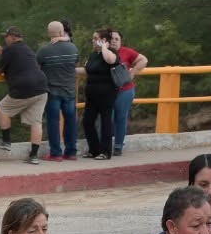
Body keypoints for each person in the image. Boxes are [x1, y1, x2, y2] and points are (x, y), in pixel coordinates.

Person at [0, 25, 49, 165]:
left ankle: (6, 141)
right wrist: (3, 53)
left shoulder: (10, 50)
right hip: (41, 88)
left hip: (24, 88)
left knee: (3, 108)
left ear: (12, 37)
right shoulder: (27, 48)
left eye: (6, 37)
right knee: (36, 122)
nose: (5, 39)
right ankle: (34, 156)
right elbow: (17, 58)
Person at [36, 21, 80, 162]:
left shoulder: (44, 51)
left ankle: (56, 154)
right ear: (62, 32)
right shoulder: (73, 48)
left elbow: (37, 68)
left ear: (49, 34)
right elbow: (76, 64)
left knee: (53, 122)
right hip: (70, 92)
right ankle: (71, 152)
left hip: (52, 92)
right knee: (71, 122)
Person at [80, 28, 119, 160]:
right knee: (87, 121)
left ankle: (105, 151)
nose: (93, 41)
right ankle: (94, 149)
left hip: (107, 93)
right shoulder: (93, 55)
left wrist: (104, 47)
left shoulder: (111, 52)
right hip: (92, 94)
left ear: (103, 40)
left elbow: (110, 60)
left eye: (95, 38)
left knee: (105, 121)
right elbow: (87, 70)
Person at [109, 29, 148, 157]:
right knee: (106, 118)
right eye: (111, 39)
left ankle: (118, 146)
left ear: (120, 41)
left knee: (121, 117)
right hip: (107, 92)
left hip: (124, 91)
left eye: (116, 39)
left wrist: (132, 72)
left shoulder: (127, 52)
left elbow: (143, 60)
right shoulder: (102, 52)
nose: (113, 41)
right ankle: (104, 145)